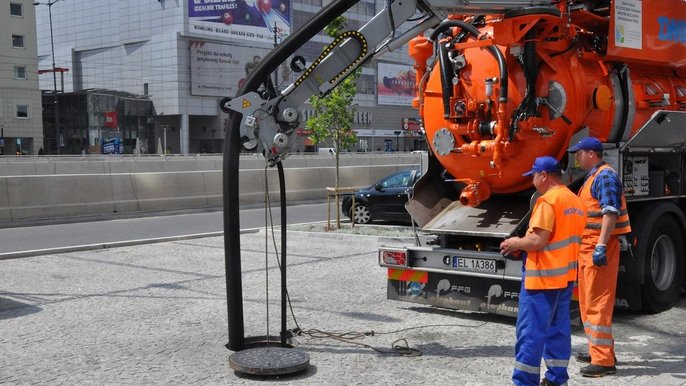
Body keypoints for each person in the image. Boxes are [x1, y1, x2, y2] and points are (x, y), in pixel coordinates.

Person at [500, 156, 585, 386]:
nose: (532, 180)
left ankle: (525, 382)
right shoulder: (575, 201)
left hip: (542, 281)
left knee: (530, 335)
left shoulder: (547, 202)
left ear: (544, 175)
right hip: (565, 278)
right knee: (557, 332)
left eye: (534, 176)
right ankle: (556, 379)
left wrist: (515, 243)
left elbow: (538, 240)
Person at [568, 137, 631, 377]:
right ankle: (599, 351)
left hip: (597, 249)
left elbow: (610, 212)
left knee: (598, 305)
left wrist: (601, 245)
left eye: (579, 153)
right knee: (588, 302)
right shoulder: (594, 176)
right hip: (589, 248)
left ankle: (604, 361)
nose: (577, 157)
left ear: (590, 153)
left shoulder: (604, 176)